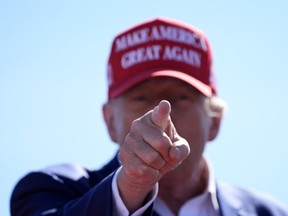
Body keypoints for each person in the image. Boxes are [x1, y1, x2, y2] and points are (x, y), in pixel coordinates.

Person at [10, 17, 288, 216]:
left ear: (214, 121)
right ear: (109, 121)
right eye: (140, 98)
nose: (160, 114)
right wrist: (130, 187)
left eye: (182, 98)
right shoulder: (52, 191)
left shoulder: (269, 211)